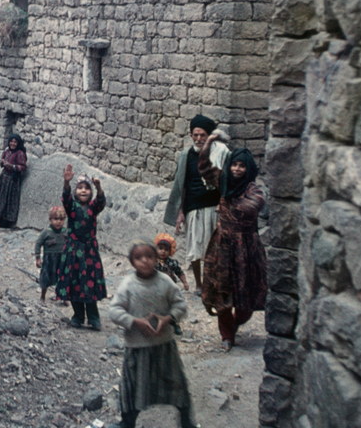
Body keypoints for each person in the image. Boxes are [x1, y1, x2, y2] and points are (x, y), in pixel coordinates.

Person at [108, 242, 196, 428]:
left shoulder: (165, 282)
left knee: (176, 385)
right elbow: (114, 311)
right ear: (132, 261)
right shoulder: (128, 284)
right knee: (133, 388)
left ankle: (186, 421)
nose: (145, 261)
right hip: (137, 348)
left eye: (149, 256)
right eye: (139, 257)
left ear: (156, 258)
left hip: (164, 346)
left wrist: (168, 318)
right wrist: (134, 321)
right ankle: (127, 422)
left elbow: (180, 305)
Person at [201, 144, 267, 351]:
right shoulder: (224, 181)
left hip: (246, 247)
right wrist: (209, 141)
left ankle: (236, 322)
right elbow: (204, 167)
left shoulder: (253, 190)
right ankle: (227, 335)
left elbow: (252, 206)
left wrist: (227, 202)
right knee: (222, 290)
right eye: (234, 165)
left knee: (246, 293)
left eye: (242, 166)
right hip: (222, 246)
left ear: (248, 169)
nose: (237, 169)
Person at [164, 114, 231, 294]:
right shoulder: (186, 155)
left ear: (209, 136)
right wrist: (181, 212)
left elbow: (226, 180)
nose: (199, 138)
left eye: (203, 135)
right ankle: (199, 284)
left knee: (213, 248)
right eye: (195, 135)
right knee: (194, 248)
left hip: (214, 207)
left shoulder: (220, 153)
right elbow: (182, 185)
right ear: (191, 135)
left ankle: (212, 283)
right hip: (193, 207)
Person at [56, 164, 107, 330]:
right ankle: (78, 315)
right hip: (73, 250)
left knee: (89, 283)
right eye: (80, 188)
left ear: (90, 192)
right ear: (75, 191)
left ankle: (94, 318)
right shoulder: (72, 207)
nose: (83, 191)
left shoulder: (93, 207)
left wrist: (98, 187)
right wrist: (66, 182)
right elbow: (65, 198)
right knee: (74, 282)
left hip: (89, 251)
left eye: (86, 188)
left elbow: (101, 201)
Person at [0, 134, 27, 229]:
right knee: (0, 199)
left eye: (15, 142)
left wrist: (12, 166)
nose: (13, 144)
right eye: (11, 141)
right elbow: (2, 163)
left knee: (8, 200)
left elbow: (23, 167)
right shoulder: (6, 151)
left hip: (12, 180)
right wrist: (2, 163)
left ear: (18, 143)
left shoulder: (20, 153)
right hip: (4, 178)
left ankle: (6, 222)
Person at [34, 205, 67, 304]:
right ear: (50, 219)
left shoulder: (66, 232)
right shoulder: (46, 232)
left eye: (61, 219)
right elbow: (38, 244)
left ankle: (63, 297)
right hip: (49, 260)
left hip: (62, 259)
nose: (58, 222)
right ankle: (42, 296)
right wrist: (38, 258)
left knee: (63, 278)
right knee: (46, 277)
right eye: (55, 219)